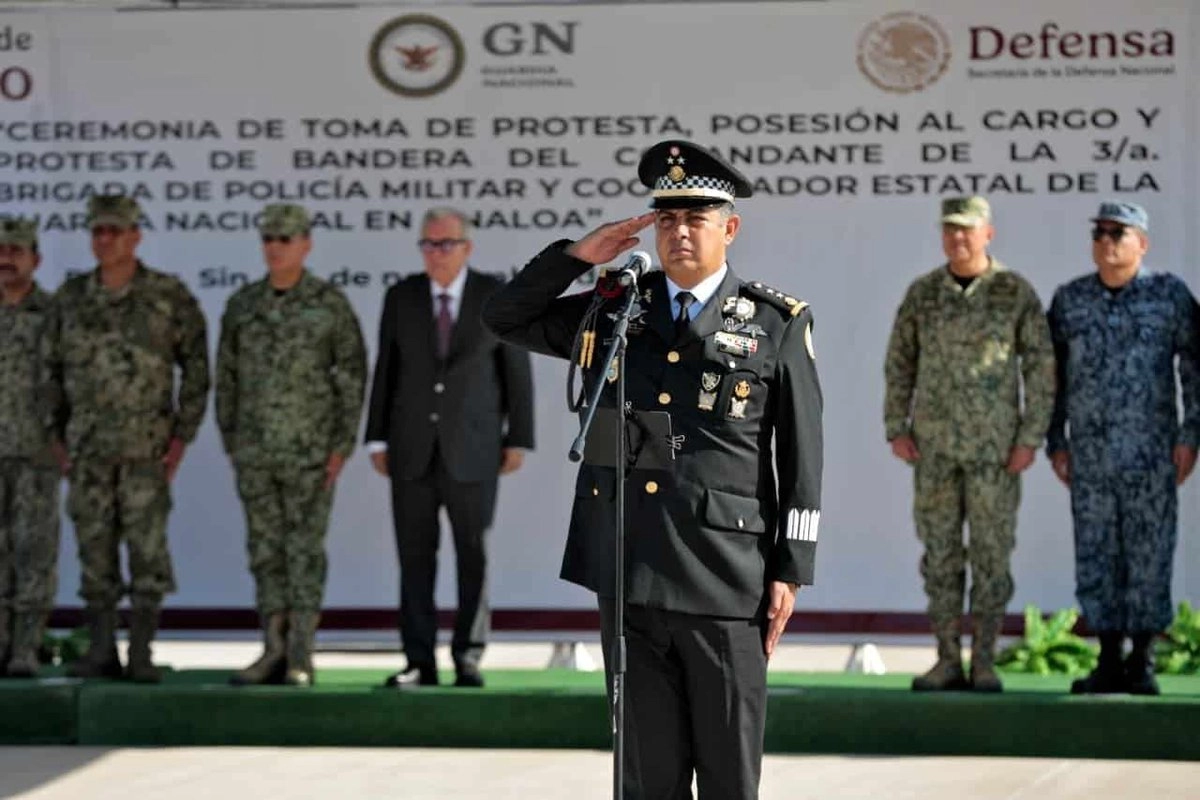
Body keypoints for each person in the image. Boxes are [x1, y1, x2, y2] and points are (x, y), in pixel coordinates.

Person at [482, 140, 822, 799]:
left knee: (728, 773)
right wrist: (580, 258)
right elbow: (504, 317)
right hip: (628, 565)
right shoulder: (615, 310)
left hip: (725, 575)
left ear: (730, 227)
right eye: (666, 219)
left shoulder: (775, 322)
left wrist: (792, 568)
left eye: (695, 218)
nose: (679, 232)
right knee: (645, 777)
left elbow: (802, 452)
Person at [883, 196, 1055, 693]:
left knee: (991, 555)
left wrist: (1030, 438)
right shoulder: (924, 294)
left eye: (967, 230)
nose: (958, 239)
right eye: (950, 231)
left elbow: (1041, 368)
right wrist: (897, 425)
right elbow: (900, 362)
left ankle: (983, 660)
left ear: (987, 234)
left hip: (995, 452)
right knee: (939, 556)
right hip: (934, 449)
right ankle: (945, 659)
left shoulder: (1012, 292)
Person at [42, 195, 210, 683]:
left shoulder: (166, 295)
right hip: (88, 451)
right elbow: (47, 372)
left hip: (146, 452)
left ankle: (140, 652)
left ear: (136, 236)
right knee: (94, 554)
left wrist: (180, 439)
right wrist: (56, 438)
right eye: (98, 231)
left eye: (115, 230)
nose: (105, 239)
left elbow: (197, 368)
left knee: (147, 554)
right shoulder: (70, 299)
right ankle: (100, 650)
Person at [365, 207, 534, 689]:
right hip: (410, 449)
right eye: (428, 244)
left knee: (472, 553)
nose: (436, 254)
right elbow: (387, 370)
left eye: (446, 244)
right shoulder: (402, 296)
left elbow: (515, 374)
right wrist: (377, 436)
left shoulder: (495, 295)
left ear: (467, 247)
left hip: (475, 449)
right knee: (415, 557)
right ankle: (419, 660)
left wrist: (518, 436)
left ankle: (468, 656)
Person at [1047, 201, 1200, 696]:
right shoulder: (1071, 301)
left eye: (1119, 232)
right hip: (1090, 457)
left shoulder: (1169, 295)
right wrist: (1056, 439)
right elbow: (1054, 379)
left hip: (1152, 454)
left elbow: (1194, 369)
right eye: (1101, 232)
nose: (1108, 240)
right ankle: (1108, 658)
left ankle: (1143, 660)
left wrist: (1189, 434)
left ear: (1143, 243)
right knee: (1096, 556)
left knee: (1150, 555)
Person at [216, 204, 367, 687]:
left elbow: (352, 375)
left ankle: (301, 653)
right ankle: (271, 648)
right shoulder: (243, 304)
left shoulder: (328, 303)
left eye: (285, 238)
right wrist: (233, 440)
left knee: (303, 552)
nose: (275, 246)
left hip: (310, 453)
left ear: (305, 244)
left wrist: (341, 444)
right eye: (269, 238)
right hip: (256, 452)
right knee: (264, 551)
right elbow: (227, 378)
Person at [0, 217, 65, 678]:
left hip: (37, 453)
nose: (6, 258)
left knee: (34, 552)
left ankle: (27, 647)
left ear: (35, 260)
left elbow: (74, 383)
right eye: (0, 250)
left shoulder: (55, 315)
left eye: (16, 250)